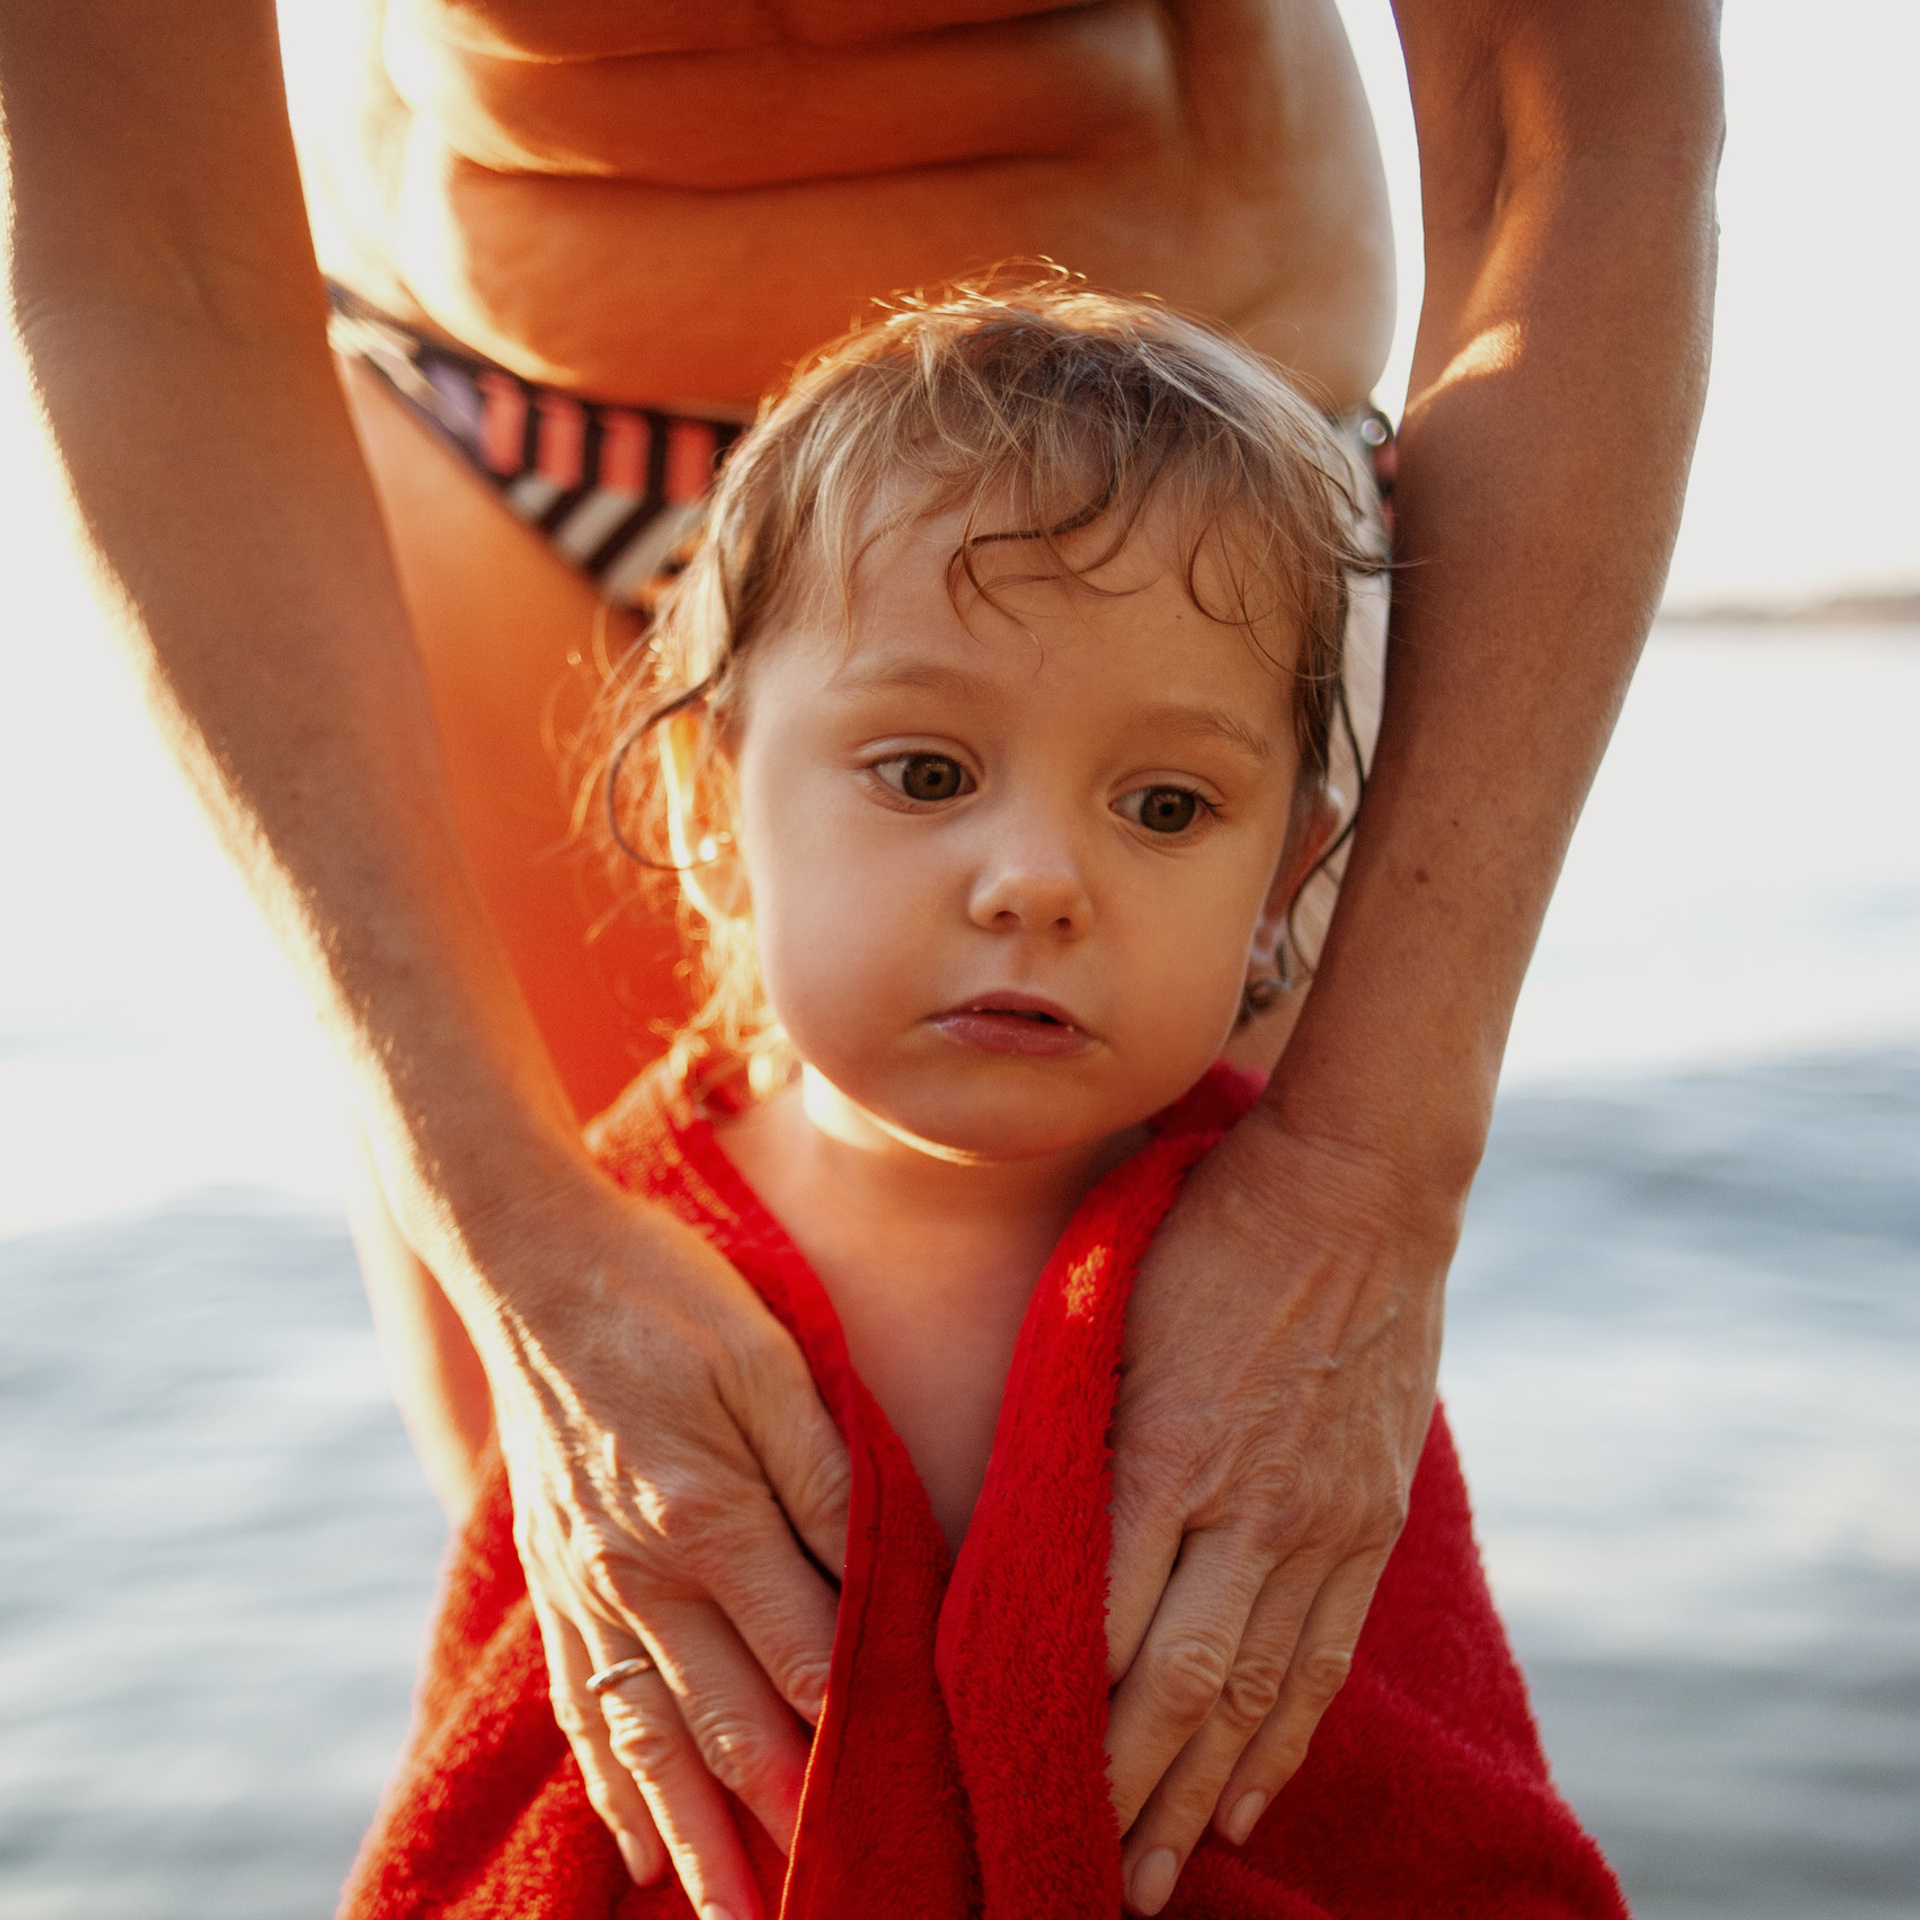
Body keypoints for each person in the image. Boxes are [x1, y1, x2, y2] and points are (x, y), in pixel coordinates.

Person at [0, 5, 1721, 1915]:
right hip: (497, 411)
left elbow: (1577, 134)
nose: (1028, 888)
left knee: (1220, 1587)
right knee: (633, 1590)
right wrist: (484, 1205)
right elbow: (139, 241)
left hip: (1187, 516)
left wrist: (1366, 1167)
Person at [340, 284, 1628, 1920]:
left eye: (1165, 805)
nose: (1036, 881)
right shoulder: (620, 1278)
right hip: (466, 379)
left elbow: (1414, 1810)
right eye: (929, 774)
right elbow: (525, 1802)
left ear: (1286, 879)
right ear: (710, 808)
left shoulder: (1289, 1309)